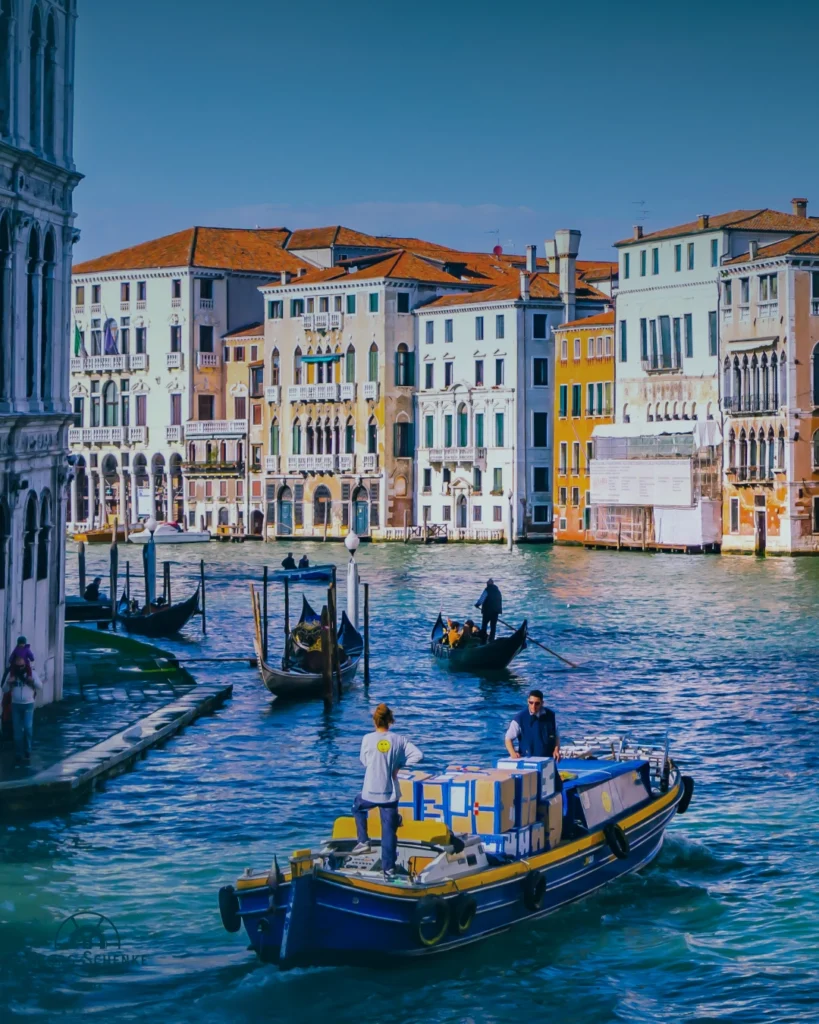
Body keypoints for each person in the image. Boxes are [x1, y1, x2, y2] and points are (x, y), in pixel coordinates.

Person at [351, 703, 423, 878]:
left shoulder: (367, 738)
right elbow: (418, 755)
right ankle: (388, 869)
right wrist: (398, 765)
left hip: (370, 791)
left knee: (357, 806)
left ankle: (363, 840)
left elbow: (364, 761)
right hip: (389, 793)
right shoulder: (399, 739)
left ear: (375, 721)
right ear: (390, 721)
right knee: (389, 830)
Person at [1, 654, 42, 766]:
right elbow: (4, 689)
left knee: (28, 727)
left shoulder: (31, 673)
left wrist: (32, 681)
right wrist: (9, 682)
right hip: (16, 705)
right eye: (17, 663)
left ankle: (28, 750)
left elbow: (40, 686)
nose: (19, 666)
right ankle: (19, 753)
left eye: (21, 663)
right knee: (17, 731)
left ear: (25, 663)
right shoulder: (12, 673)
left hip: (28, 704)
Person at [504, 689, 560, 761]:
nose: (533, 706)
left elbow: (556, 736)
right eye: (531, 703)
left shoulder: (551, 716)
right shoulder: (520, 718)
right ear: (528, 701)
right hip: (528, 761)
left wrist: (556, 750)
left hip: (548, 761)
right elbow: (508, 739)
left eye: (537, 703)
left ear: (542, 703)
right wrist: (513, 753)